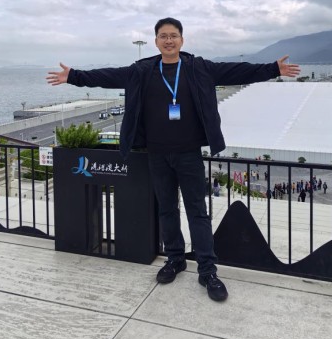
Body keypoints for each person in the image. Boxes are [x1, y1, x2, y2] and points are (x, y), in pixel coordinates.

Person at [46, 17, 300, 302]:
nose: (169, 40)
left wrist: (273, 69)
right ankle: (175, 259)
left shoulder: (198, 67)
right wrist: (74, 76)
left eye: (173, 35)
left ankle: (208, 271)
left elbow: (236, 71)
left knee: (197, 212)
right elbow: (107, 77)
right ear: (156, 41)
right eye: (163, 36)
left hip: (189, 154)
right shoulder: (142, 70)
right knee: (167, 210)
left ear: (182, 40)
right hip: (156, 154)